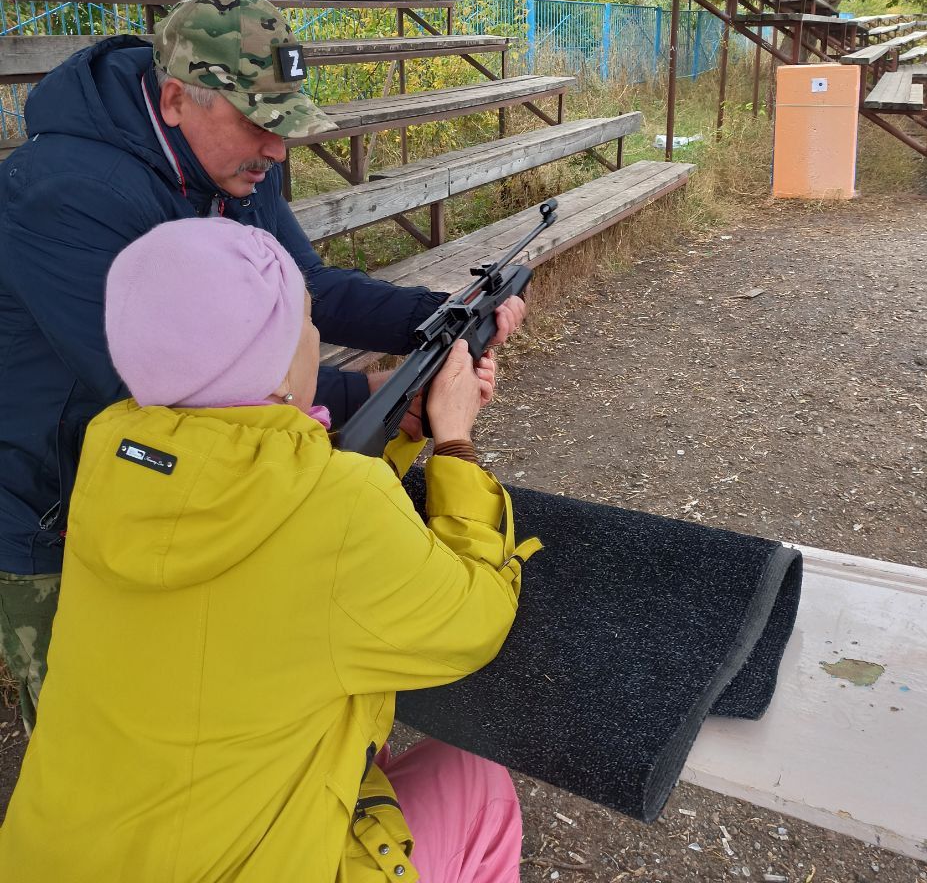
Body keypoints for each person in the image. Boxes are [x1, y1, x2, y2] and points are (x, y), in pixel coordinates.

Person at [0, 0, 524, 730]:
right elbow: (169, 393)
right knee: (89, 722)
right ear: (177, 99)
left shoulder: (231, 160)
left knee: (189, 712)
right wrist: (363, 395)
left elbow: (301, 287)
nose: (279, 150)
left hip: (174, 489)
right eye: (260, 125)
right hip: (53, 503)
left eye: (287, 125)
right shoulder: (61, 192)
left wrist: (442, 319)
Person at [0, 218, 539, 882]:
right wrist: (454, 441)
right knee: (476, 785)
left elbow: (275, 522)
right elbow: (472, 624)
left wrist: (396, 434)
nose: (313, 340)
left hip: (51, 861)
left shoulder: (113, 458)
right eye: (306, 326)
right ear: (281, 364)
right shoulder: (332, 505)